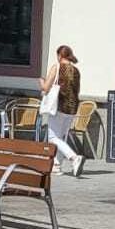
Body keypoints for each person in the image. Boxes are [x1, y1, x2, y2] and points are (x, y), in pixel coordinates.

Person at [40, 44, 84, 176]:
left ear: (59, 55)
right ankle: (57, 166)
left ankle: (74, 158)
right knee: (61, 138)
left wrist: (41, 81)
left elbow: (46, 88)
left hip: (59, 106)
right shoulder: (76, 71)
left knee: (53, 137)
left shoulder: (57, 67)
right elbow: (77, 90)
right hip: (72, 107)